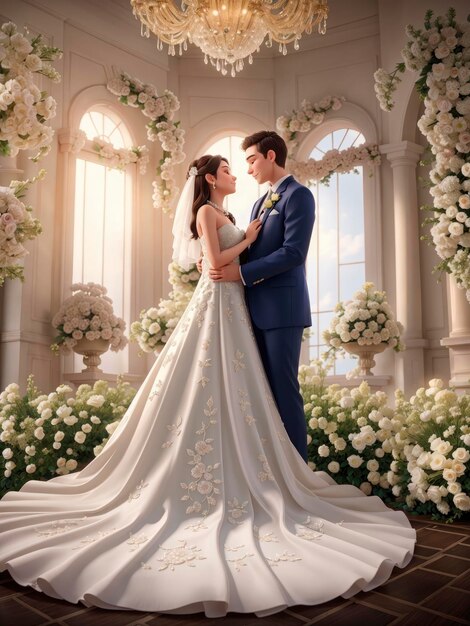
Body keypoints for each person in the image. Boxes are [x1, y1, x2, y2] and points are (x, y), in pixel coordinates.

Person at [0, 155, 415, 618]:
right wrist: (249, 242)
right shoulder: (206, 211)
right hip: (220, 298)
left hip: (238, 304)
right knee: (208, 382)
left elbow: (242, 258)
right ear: (212, 178)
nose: (238, 174)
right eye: (230, 170)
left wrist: (247, 243)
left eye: (247, 164)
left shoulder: (242, 210)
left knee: (239, 386)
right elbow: (213, 262)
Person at [209, 131, 314, 461]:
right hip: (251, 309)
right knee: (261, 395)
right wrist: (210, 260)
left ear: (271, 156)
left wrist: (239, 274)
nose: (248, 168)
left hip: (283, 310)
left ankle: (299, 474)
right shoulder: (258, 202)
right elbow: (248, 250)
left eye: (252, 160)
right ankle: (271, 470)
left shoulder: (299, 195)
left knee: (284, 390)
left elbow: (293, 253)